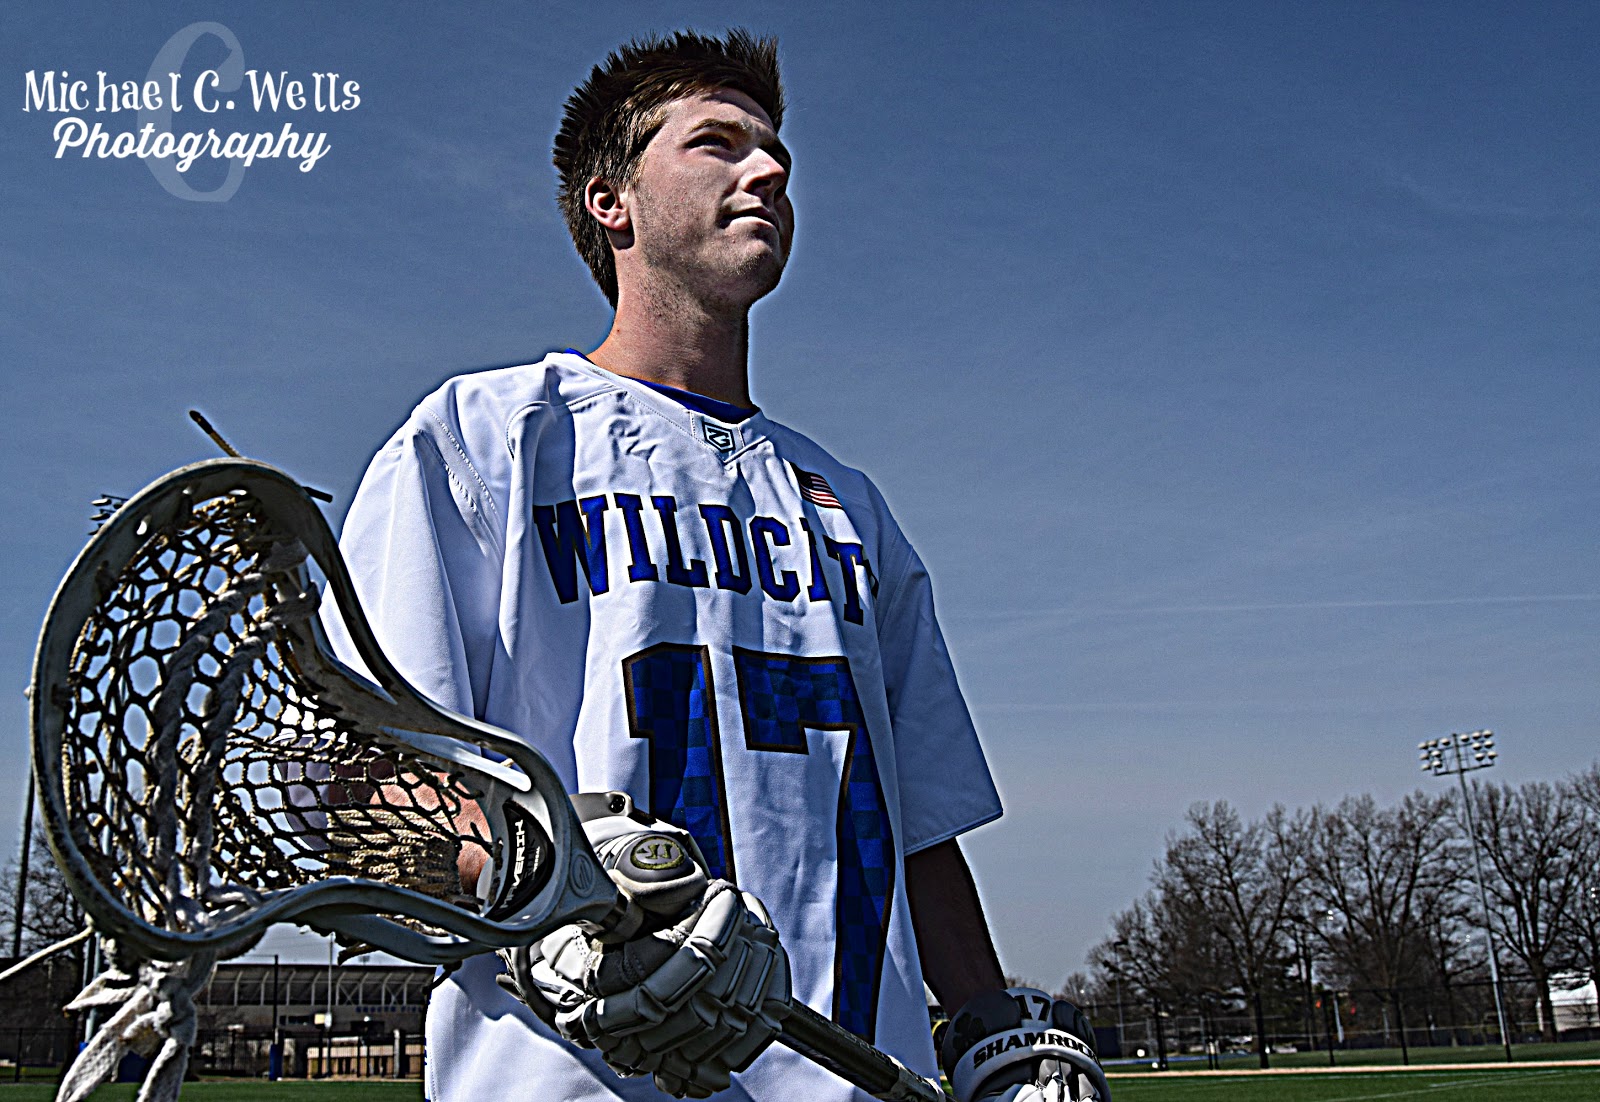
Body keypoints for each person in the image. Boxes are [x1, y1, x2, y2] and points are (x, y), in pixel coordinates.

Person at [330, 28, 1097, 1102]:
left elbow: (918, 830)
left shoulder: (850, 506)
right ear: (614, 201)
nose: (771, 171)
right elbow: (364, 778)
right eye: (718, 144)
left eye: (776, 152)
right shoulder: (483, 438)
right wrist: (560, 890)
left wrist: (988, 1027)